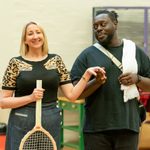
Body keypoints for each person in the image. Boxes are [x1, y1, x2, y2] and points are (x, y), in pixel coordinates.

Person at [0, 21, 106, 150]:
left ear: (43, 36)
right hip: (21, 121)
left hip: (51, 120)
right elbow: (3, 102)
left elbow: (72, 95)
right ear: (25, 40)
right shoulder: (15, 63)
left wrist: (87, 75)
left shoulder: (56, 61)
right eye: (30, 33)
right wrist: (30, 98)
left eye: (38, 32)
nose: (35, 36)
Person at [70, 9, 150, 150]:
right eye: (95, 26)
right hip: (96, 130)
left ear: (115, 23)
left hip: (128, 126)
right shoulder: (87, 55)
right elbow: (76, 93)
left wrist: (137, 78)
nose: (99, 29)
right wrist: (97, 82)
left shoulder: (134, 51)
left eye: (103, 24)